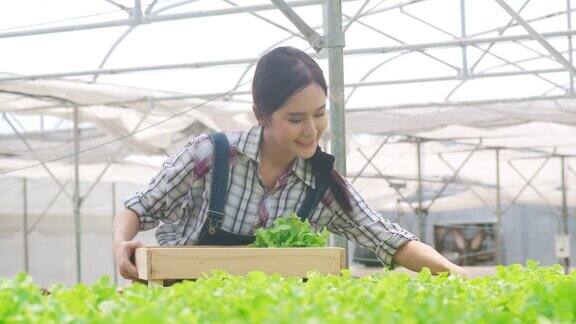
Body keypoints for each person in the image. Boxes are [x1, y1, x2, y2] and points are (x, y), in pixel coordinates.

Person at [113, 46, 469, 280]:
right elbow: (141, 207)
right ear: (261, 115)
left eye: (319, 113)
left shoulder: (321, 183)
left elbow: (388, 239)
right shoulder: (211, 155)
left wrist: (455, 273)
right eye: (296, 119)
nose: (311, 131)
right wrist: (120, 244)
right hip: (184, 310)